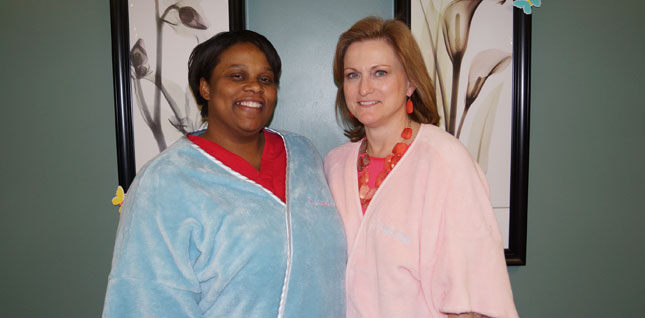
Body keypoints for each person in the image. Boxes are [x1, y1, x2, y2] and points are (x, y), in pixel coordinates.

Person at [103, 30, 346, 317]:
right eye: (237, 76)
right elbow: (143, 300)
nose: (255, 87)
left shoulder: (304, 155)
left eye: (265, 79)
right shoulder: (164, 182)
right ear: (205, 87)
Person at [324, 17, 518, 318]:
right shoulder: (333, 167)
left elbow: (474, 298)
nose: (364, 88)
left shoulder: (447, 162)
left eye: (380, 73)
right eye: (352, 75)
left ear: (411, 83)